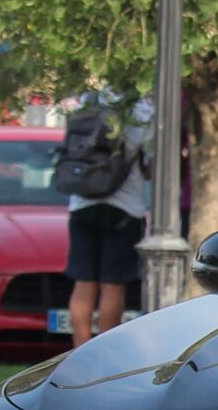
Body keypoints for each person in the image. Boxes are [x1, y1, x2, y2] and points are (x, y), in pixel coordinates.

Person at [60, 90, 151, 347]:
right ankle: (101, 350)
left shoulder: (86, 101)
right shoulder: (142, 111)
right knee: (113, 283)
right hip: (124, 207)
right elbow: (149, 168)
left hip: (81, 203)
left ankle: (78, 348)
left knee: (84, 280)